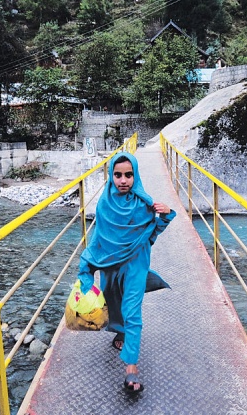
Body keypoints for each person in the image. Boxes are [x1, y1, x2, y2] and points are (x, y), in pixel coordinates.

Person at [77, 151, 176, 394]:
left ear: (135, 176)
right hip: (111, 265)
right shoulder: (104, 204)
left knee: (132, 312)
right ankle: (119, 333)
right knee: (114, 303)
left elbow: (150, 234)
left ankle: (131, 368)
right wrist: (87, 267)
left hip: (135, 265)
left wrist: (165, 215)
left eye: (128, 175)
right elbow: (99, 237)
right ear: (111, 176)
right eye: (118, 175)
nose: (123, 180)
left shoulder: (144, 204)